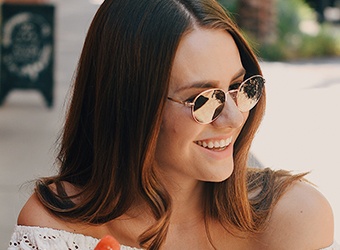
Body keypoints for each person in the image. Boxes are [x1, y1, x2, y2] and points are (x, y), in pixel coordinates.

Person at [8, 0, 337, 249]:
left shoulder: (295, 219)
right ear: (129, 106)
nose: (235, 118)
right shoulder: (55, 229)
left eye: (240, 88)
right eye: (203, 100)